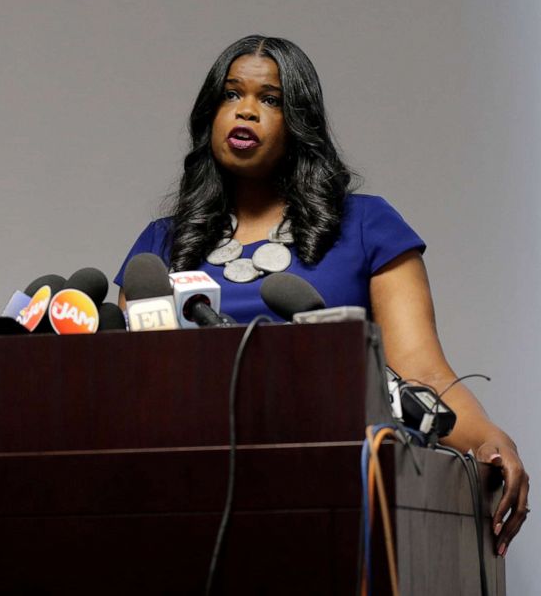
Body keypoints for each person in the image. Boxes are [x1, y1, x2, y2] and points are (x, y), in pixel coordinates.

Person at [115, 35, 529, 554]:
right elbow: (128, 383)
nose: (246, 110)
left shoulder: (368, 226)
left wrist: (491, 439)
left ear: (300, 122)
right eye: (230, 95)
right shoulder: (160, 244)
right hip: (182, 495)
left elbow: (421, 373)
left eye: (270, 100)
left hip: (330, 494)